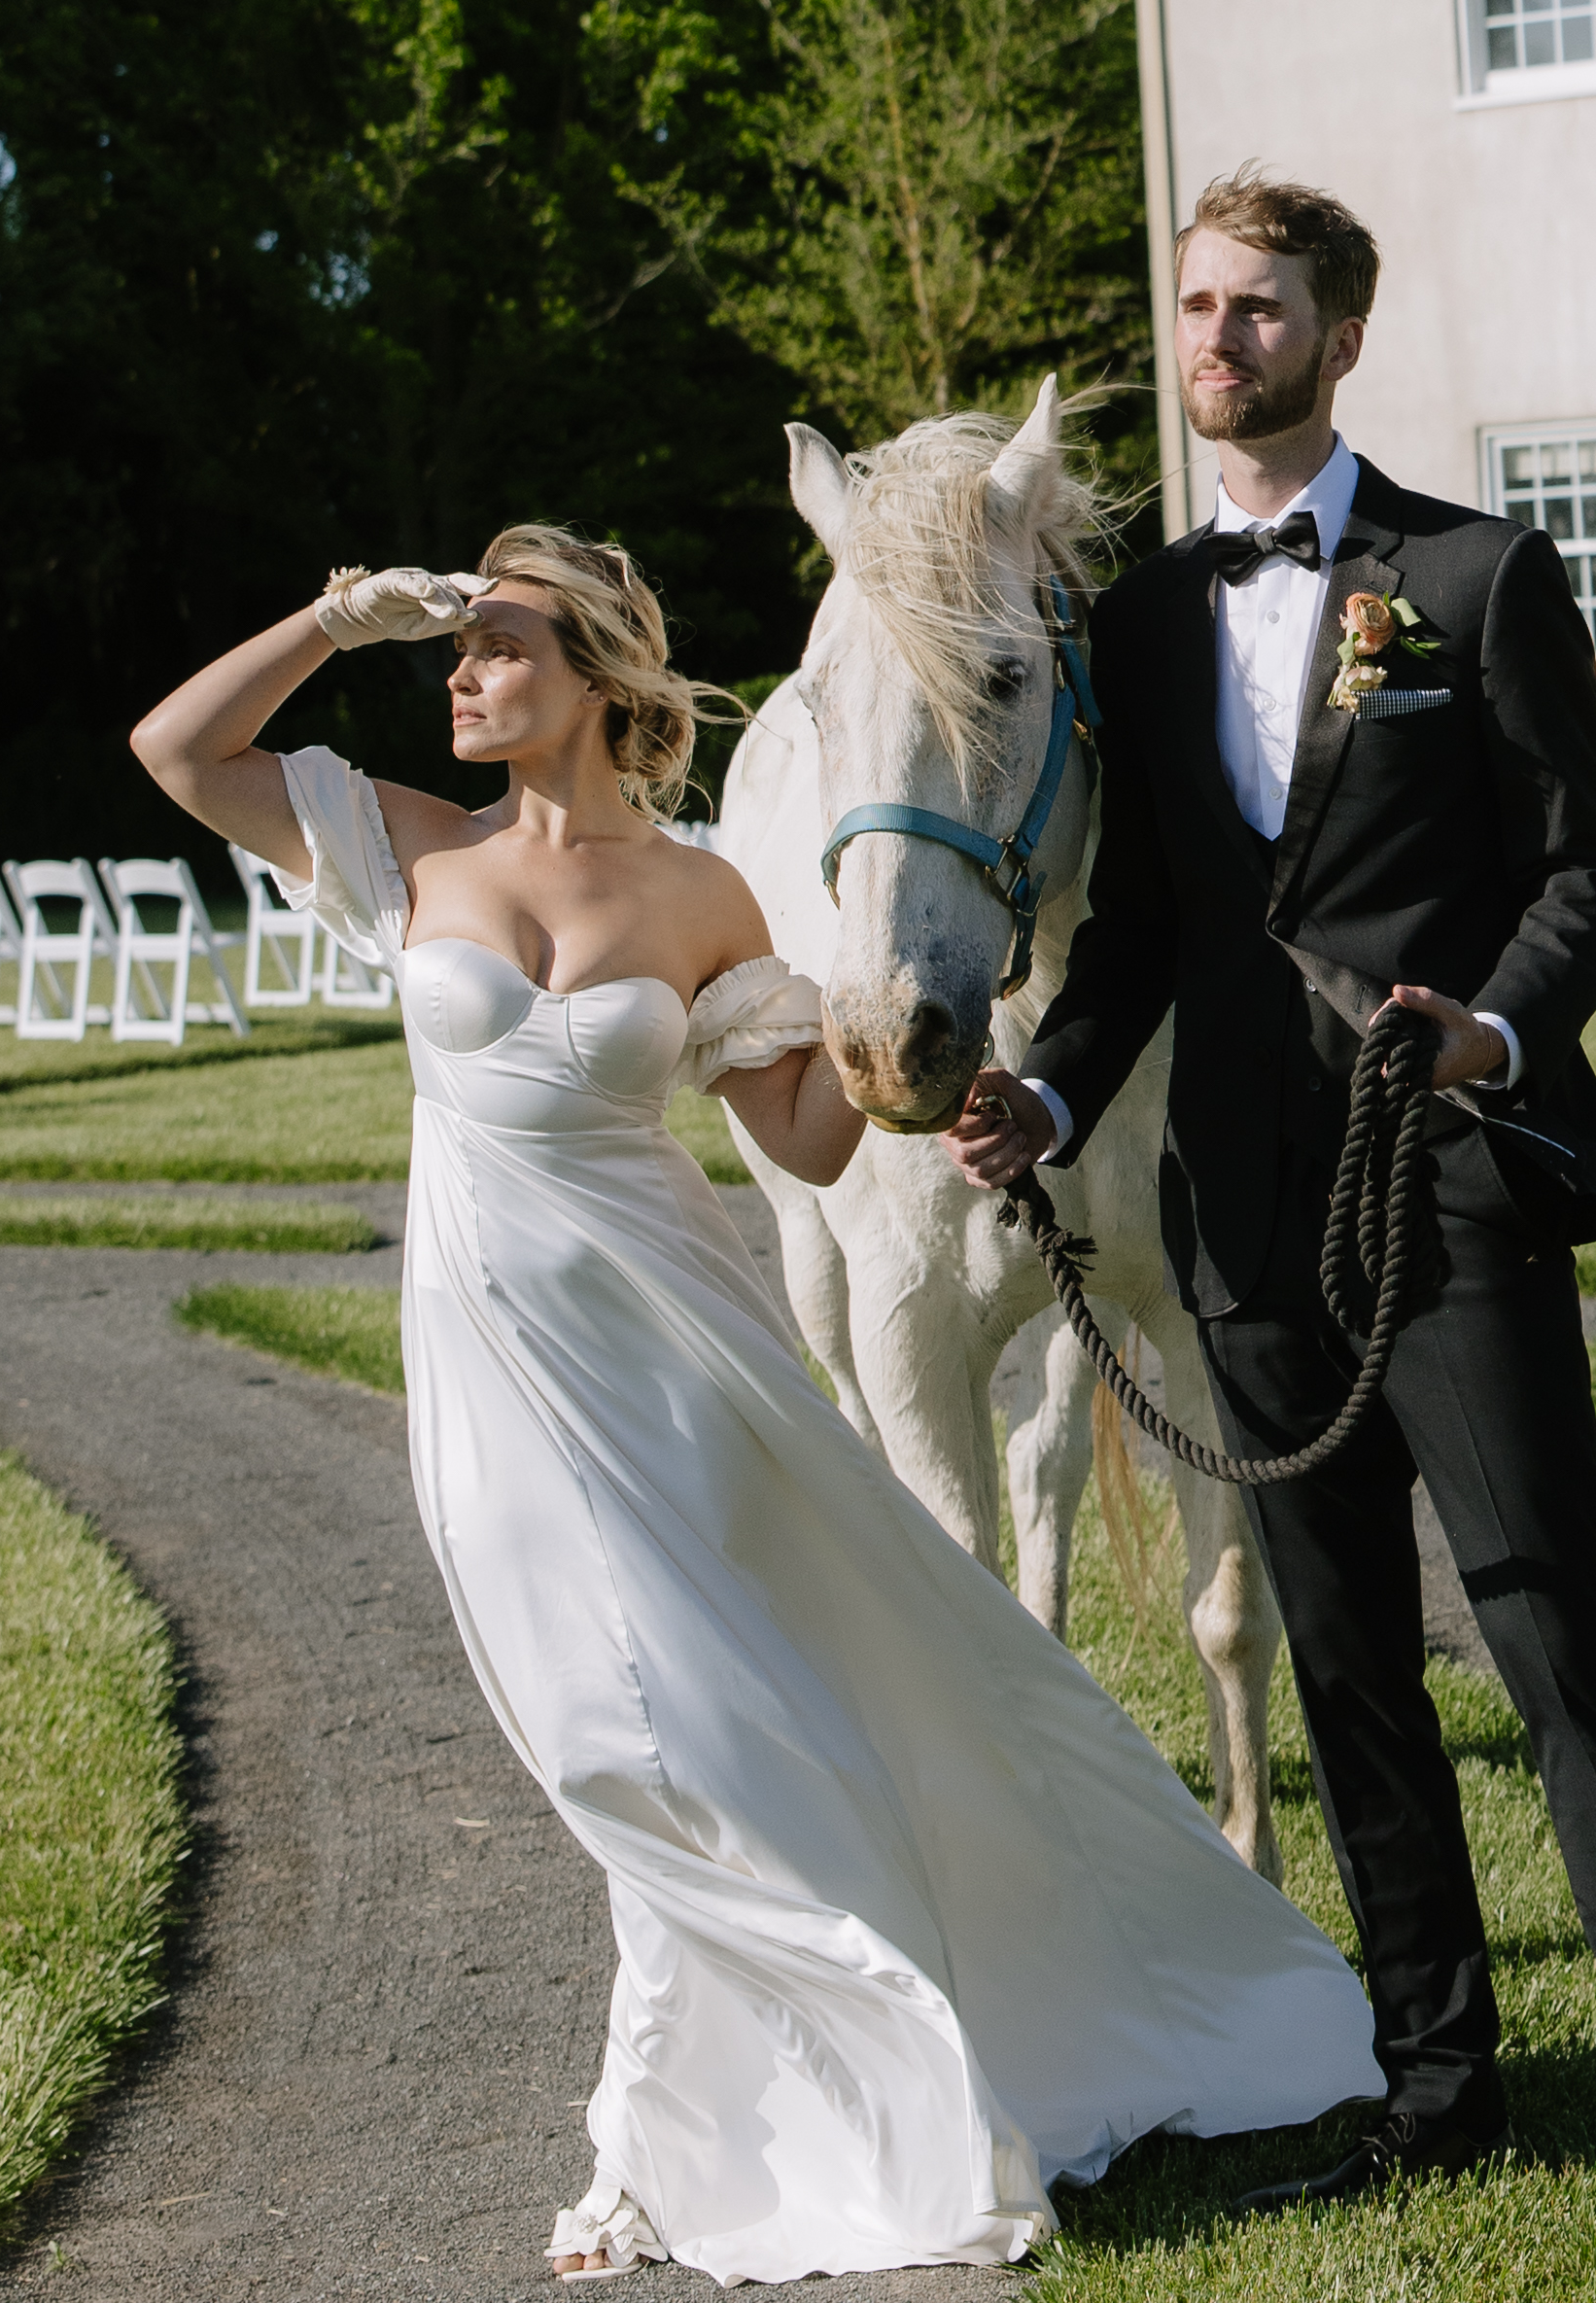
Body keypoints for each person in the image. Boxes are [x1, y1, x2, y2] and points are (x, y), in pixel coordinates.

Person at [132, 523, 1382, 2285]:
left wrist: (930, 1082)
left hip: (679, 1357)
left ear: (596, 677)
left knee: (703, 1720)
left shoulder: (711, 900)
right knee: (601, 1732)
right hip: (495, 1364)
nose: (464, 672)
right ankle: (813, 2053)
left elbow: (805, 1134)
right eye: (457, 650)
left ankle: (675, 2128)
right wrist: (340, 619)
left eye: (498, 645)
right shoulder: (405, 843)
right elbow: (177, 753)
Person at [947, 165, 1596, 2214]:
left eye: (1260, 311)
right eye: (1198, 307)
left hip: (1456, 1187)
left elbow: (1585, 862)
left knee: (1555, 1635)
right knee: (1348, 1669)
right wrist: (1049, 1103)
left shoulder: (1480, 578)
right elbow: (1141, 920)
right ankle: (1437, 2081)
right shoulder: (1136, 626)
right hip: (1242, 1219)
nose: (1218, 343)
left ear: (1337, 334)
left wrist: (1491, 1030)